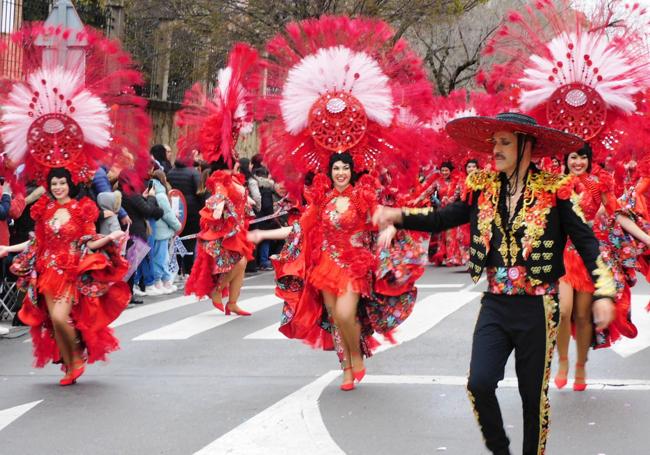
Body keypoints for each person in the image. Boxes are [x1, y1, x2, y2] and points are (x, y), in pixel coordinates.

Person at [373, 112, 616, 455]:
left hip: (538, 307)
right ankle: (500, 450)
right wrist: (398, 215)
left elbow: (588, 243)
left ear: (525, 146)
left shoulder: (554, 191)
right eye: (495, 143)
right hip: (496, 304)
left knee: (533, 398)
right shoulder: (481, 188)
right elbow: (443, 218)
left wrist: (604, 291)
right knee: (479, 383)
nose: (495, 150)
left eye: (504, 143)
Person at [0, 168, 129, 385]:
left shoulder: (82, 210)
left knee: (61, 317)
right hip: (46, 272)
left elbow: (88, 241)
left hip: (70, 272)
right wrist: (8, 248)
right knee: (55, 322)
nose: (58, 188)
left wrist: (110, 237)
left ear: (70, 184)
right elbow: (36, 242)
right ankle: (70, 365)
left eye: (61, 183)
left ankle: (77, 360)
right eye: (54, 184)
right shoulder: (45, 210)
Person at [555, 144, 648, 391]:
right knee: (563, 312)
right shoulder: (555, 185)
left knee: (584, 316)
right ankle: (563, 361)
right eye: (573, 157)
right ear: (566, 159)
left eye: (582, 158)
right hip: (562, 255)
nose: (577, 162)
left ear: (589, 160)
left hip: (586, 256)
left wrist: (647, 239)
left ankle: (581, 366)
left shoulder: (598, 184)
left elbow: (617, 214)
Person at [185, 159, 254, 315]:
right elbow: (220, 193)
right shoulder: (220, 177)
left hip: (238, 228)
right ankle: (218, 290)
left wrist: (248, 200)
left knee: (242, 263)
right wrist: (218, 206)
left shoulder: (235, 178)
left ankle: (233, 302)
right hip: (225, 229)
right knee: (239, 262)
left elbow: (239, 195)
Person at [150, 170, 182, 294]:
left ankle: (162, 281)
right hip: (162, 231)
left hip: (154, 230)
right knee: (161, 257)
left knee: (157, 257)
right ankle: (161, 282)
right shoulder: (161, 196)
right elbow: (168, 214)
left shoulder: (152, 192)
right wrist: (177, 225)